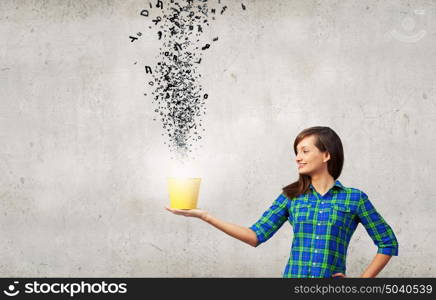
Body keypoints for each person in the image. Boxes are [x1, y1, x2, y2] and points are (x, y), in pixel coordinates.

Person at [165, 126, 399, 278]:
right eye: (297, 152)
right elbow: (255, 236)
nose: (298, 157)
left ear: (326, 155)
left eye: (305, 151)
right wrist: (204, 216)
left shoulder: (354, 198)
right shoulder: (291, 196)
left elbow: (387, 243)